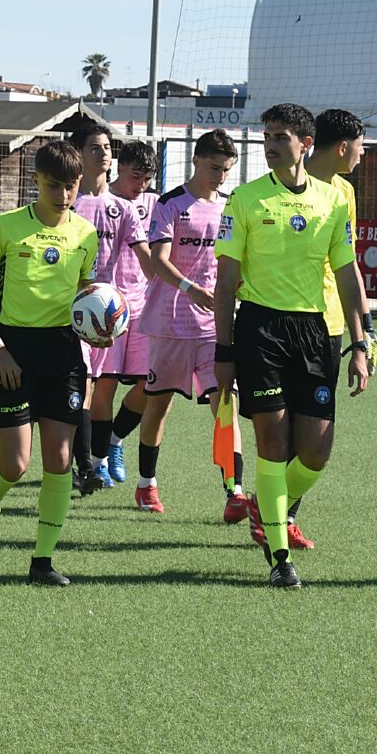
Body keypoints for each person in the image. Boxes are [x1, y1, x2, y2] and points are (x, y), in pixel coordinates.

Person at [212, 102, 370, 589]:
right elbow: (225, 283)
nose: (271, 145)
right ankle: (280, 558)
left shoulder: (334, 201)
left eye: (281, 137)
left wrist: (360, 343)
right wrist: (224, 351)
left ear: (306, 143)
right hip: (260, 330)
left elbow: (347, 275)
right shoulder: (245, 200)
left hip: (315, 333)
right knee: (273, 446)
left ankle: (265, 505)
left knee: (316, 452)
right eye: (267, 137)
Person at [0, 140, 99, 587]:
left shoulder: (86, 234)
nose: (63, 195)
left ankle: (42, 561)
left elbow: (86, 295)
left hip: (64, 353)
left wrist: (101, 323)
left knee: (60, 460)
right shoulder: (5, 227)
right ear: (35, 181)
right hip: (14, 352)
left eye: (71, 186)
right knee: (15, 464)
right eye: (53, 185)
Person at [267, 108, 376, 550]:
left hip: (327, 326)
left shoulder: (344, 192)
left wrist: (364, 332)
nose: (363, 155)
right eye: (361, 147)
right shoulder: (278, 185)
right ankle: (274, 514)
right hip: (277, 325)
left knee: (313, 437)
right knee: (282, 431)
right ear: (343, 147)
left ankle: (278, 511)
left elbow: (348, 263)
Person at [140, 129, 243, 520]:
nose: (220, 176)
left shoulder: (231, 207)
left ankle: (234, 492)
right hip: (170, 324)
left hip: (214, 328)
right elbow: (158, 260)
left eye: (226, 169)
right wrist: (190, 288)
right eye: (215, 167)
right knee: (159, 407)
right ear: (196, 160)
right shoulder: (170, 203)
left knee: (225, 406)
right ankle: (146, 484)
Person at [69, 124, 145, 497]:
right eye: (95, 147)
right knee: (84, 388)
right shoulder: (68, 205)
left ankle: (103, 452)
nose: (104, 153)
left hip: (111, 316)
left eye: (107, 147)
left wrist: (176, 288)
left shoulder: (123, 208)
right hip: (73, 313)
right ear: (78, 155)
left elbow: (147, 258)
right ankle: (85, 467)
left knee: (125, 385)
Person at [94, 138, 160, 483]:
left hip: (145, 307)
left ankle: (115, 439)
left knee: (151, 384)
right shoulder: (100, 201)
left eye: (147, 178)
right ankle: (98, 459)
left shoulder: (156, 204)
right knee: (104, 385)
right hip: (107, 308)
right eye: (136, 176)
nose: (142, 185)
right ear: (119, 168)